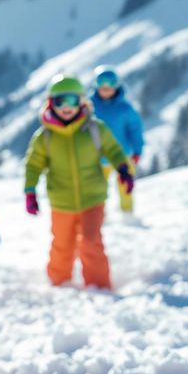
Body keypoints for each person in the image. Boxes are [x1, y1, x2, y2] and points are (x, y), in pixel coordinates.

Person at [25, 75, 134, 289]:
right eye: (60, 101)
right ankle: (59, 282)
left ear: (82, 102)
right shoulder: (45, 136)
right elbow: (33, 164)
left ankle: (99, 285)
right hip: (61, 201)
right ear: (50, 103)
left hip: (92, 197)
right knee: (62, 244)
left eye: (72, 101)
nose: (66, 107)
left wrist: (123, 169)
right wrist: (30, 190)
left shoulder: (95, 128)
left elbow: (113, 150)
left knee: (91, 241)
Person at [89, 65, 145, 214]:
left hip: (123, 155)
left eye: (110, 84)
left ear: (117, 86)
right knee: (97, 187)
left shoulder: (125, 108)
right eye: (102, 84)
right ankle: (98, 214)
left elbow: (135, 130)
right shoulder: (89, 107)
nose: (106, 89)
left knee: (125, 185)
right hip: (98, 156)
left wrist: (137, 150)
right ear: (96, 85)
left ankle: (127, 212)